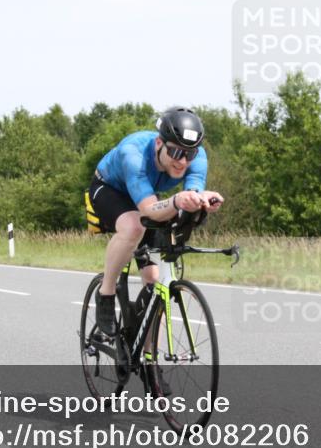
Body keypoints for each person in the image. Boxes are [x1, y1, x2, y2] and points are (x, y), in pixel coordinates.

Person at [88, 107, 223, 336]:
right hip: (110, 189)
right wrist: (177, 201)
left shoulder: (197, 156)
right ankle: (106, 293)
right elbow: (149, 210)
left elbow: (191, 192)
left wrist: (200, 200)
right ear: (159, 143)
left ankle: (149, 354)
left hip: (147, 193)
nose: (183, 161)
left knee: (154, 283)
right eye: (176, 153)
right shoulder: (134, 154)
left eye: (189, 154)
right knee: (134, 226)